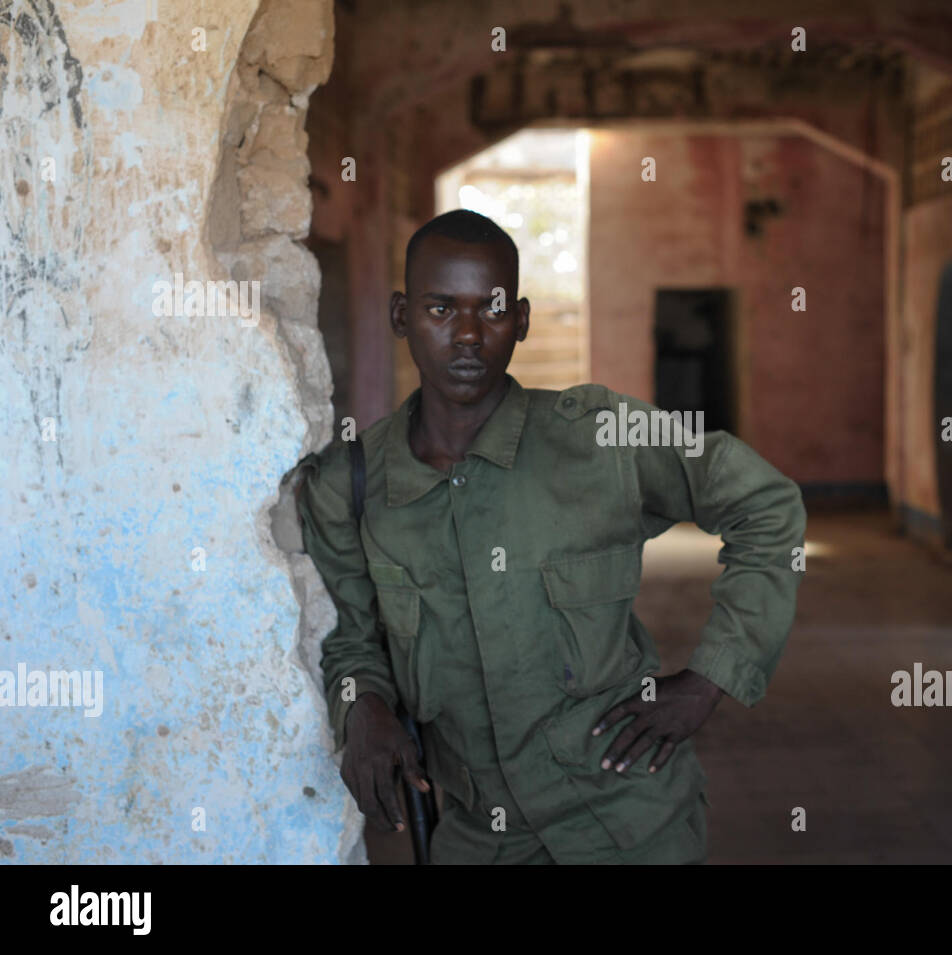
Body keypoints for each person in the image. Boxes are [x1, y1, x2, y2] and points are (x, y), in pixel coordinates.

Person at [291, 209, 806, 863]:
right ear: (401, 315)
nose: (470, 334)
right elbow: (348, 638)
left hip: (633, 827)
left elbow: (767, 505)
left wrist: (711, 680)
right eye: (442, 308)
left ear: (524, 321)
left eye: (494, 309)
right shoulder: (351, 485)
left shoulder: (599, 438)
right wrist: (362, 705)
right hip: (481, 840)